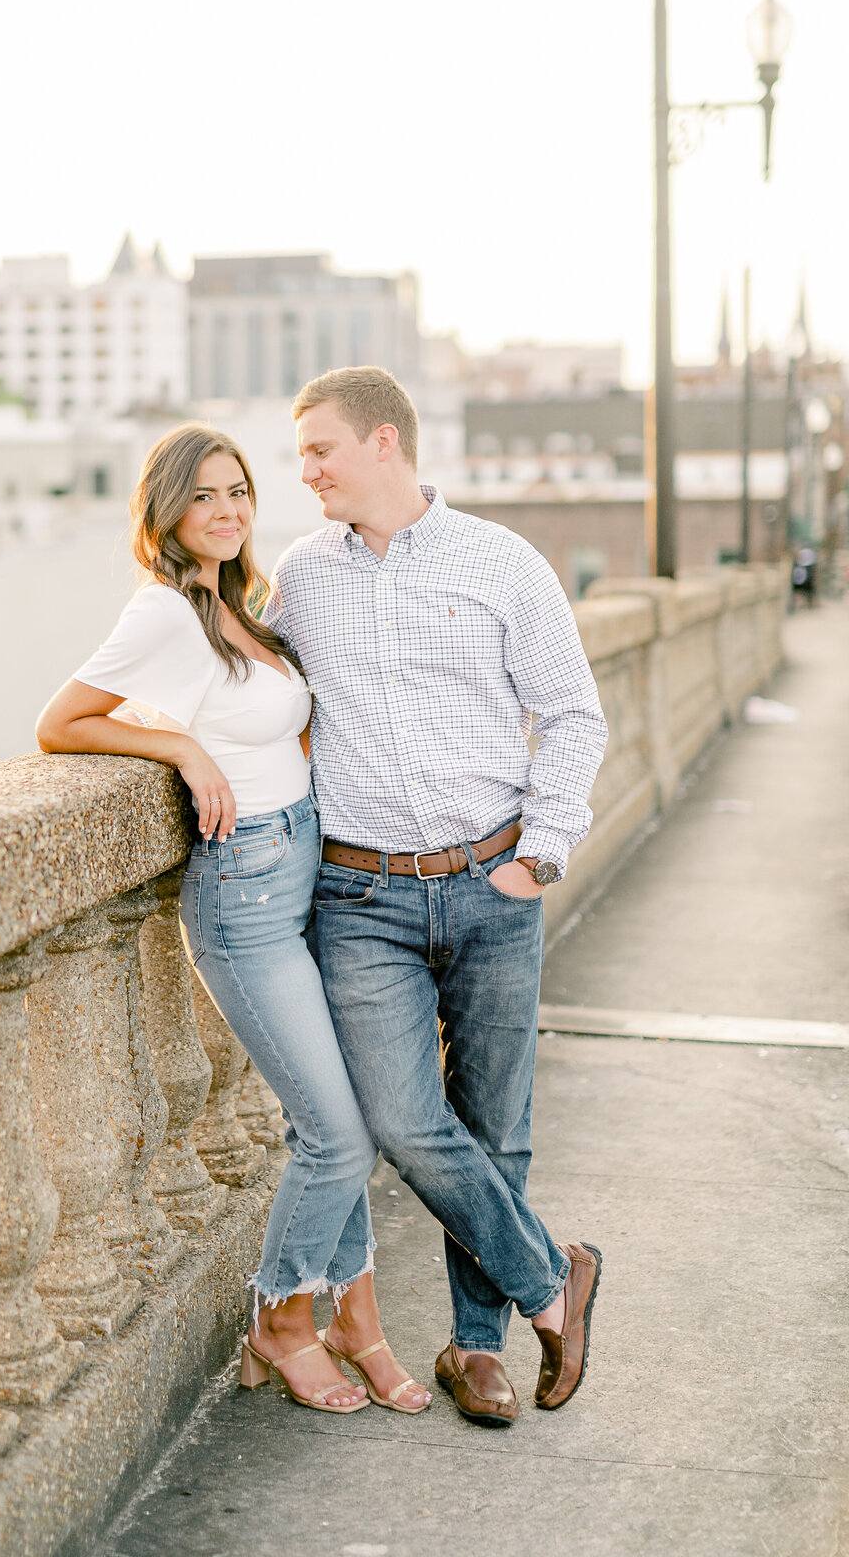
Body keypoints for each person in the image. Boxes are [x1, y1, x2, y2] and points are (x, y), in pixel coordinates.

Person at [35, 422, 433, 1417]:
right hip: (244, 891)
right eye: (205, 496)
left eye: (240, 492)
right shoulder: (167, 611)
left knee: (356, 1116)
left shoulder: (236, 606)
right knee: (334, 1132)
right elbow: (61, 721)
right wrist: (183, 754)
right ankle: (281, 1323)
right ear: (166, 510)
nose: (227, 511)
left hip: (305, 867)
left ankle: (361, 1324)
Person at [265, 366, 609, 1427]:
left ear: (384, 443)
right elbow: (254, 690)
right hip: (359, 897)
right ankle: (554, 1280)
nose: (305, 469)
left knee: (495, 1125)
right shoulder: (300, 575)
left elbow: (572, 714)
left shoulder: (503, 562)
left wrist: (537, 855)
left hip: (492, 877)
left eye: (319, 448)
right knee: (405, 1123)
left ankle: (475, 1348)